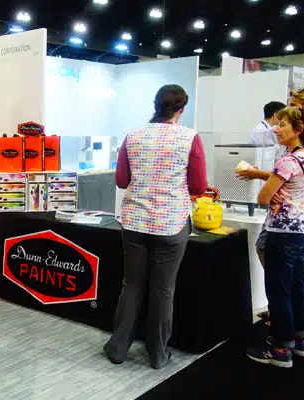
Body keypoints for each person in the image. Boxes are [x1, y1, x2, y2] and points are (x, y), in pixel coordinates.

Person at [104, 85, 207, 369]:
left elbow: (122, 181)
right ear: (182, 108)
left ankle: (118, 348)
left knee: (132, 285)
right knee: (164, 290)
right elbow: (198, 186)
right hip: (171, 224)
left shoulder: (133, 136)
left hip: (135, 222)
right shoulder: (190, 138)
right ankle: (158, 355)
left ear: (154, 104)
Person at [237, 87, 304, 310]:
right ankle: (293, 314)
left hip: (293, 215)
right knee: (287, 264)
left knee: (287, 270)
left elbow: (300, 173)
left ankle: (287, 312)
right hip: (294, 211)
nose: (278, 128)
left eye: (294, 106)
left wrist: (263, 178)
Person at [246, 104, 304, 368]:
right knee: (296, 287)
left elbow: (263, 197)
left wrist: (272, 192)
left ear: (298, 130)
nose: (277, 129)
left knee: (278, 291)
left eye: (283, 125)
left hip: (283, 232)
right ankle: (301, 340)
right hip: (303, 230)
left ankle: (281, 348)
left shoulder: (288, 161)